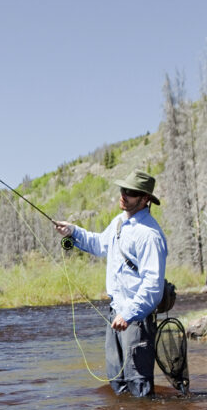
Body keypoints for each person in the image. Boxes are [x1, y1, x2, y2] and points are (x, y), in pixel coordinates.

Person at [54, 169, 168, 397]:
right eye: (123, 189)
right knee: (118, 382)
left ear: (145, 199)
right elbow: (98, 244)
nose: (123, 195)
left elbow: (153, 286)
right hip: (115, 316)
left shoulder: (150, 235)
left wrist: (129, 314)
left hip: (136, 320)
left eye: (131, 192)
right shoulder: (119, 222)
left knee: (139, 386)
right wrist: (73, 231)